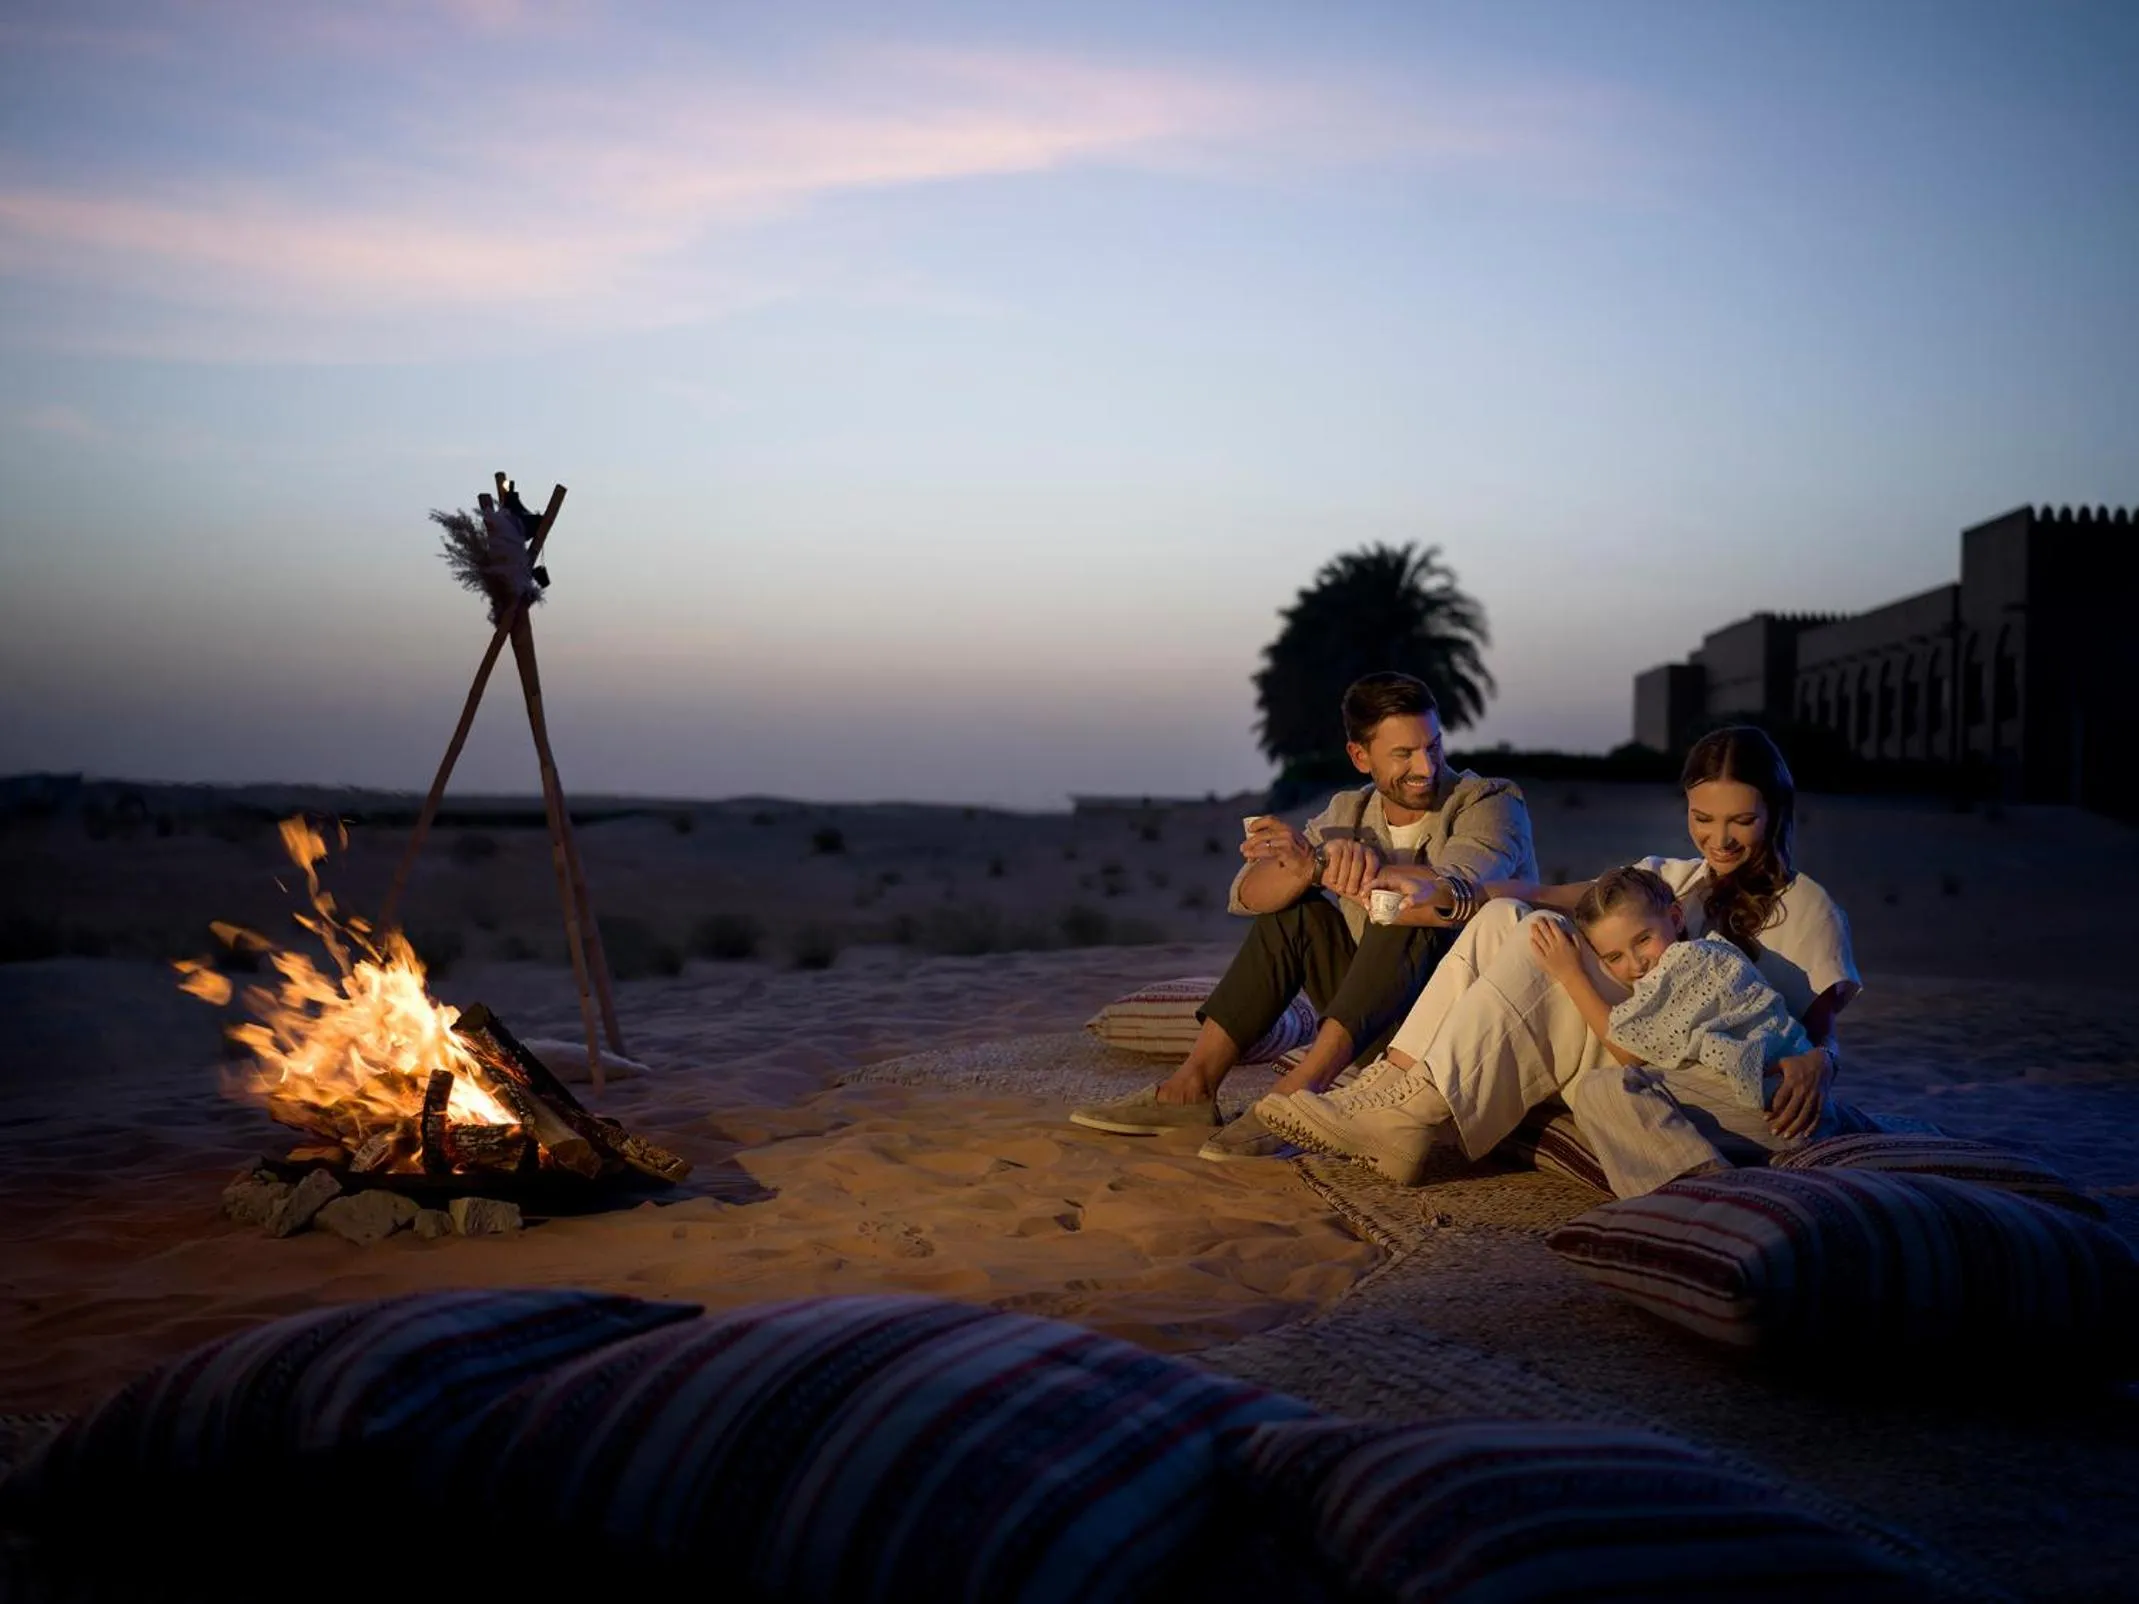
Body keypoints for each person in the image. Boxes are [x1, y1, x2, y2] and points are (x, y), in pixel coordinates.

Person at [1253, 725, 1856, 1195]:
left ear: (1775, 810)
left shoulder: (1807, 908)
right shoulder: (1672, 880)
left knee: (1542, 936)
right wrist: (1443, 892)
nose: (1720, 840)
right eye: (1703, 819)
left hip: (1700, 1070)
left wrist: (1820, 1063)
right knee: (1505, 918)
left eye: (1742, 821)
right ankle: (1396, 1090)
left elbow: (1818, 1042)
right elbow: (1547, 894)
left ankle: (1413, 1112)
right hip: (1635, 1037)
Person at [1068, 671, 1538, 1161]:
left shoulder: (1489, 801)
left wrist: (1363, 871)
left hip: (1460, 1025)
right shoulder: (1348, 811)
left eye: (1433, 747)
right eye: (1403, 754)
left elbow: (1453, 886)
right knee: (1292, 912)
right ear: (1361, 756)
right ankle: (1192, 1088)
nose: (1426, 766)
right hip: (1378, 1018)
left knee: (1404, 908)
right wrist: (1309, 867)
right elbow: (1248, 894)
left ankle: (1297, 1097)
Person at [1529, 864, 1819, 1123]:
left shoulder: (1690, 960)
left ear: (1676, 916)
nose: (1637, 964)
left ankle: (1691, 1177)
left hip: (1777, 1100)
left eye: (1643, 939)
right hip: (1769, 1099)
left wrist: (1570, 974)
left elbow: (1630, 1054)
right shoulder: (1689, 961)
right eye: (1614, 957)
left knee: (1610, 1088)